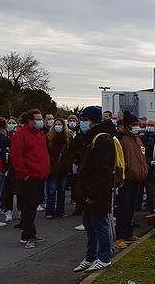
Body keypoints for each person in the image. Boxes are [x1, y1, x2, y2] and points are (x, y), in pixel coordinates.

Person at [73, 106, 116, 272]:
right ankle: (90, 257)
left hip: (96, 192)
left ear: (92, 120)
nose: (82, 122)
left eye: (84, 119)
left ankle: (104, 257)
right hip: (87, 190)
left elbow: (103, 170)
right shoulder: (91, 137)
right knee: (89, 225)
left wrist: (94, 193)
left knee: (100, 224)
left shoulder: (102, 139)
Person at [12, 109, 50, 249]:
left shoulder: (40, 134)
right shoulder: (21, 134)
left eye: (41, 118)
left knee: (33, 207)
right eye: (37, 119)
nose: (40, 121)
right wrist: (25, 174)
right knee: (28, 208)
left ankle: (30, 233)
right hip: (29, 177)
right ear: (29, 120)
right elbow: (16, 156)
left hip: (39, 175)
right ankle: (28, 235)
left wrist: (45, 171)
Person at [115, 112, 148, 249]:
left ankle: (128, 233)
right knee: (123, 207)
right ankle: (120, 236)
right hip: (126, 179)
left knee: (131, 207)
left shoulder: (137, 139)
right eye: (134, 125)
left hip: (137, 178)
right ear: (127, 126)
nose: (137, 127)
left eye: (137, 125)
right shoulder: (121, 139)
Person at [45, 118, 71, 219]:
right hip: (52, 168)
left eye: (60, 124)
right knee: (51, 191)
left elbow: (70, 153)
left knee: (61, 190)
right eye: (56, 124)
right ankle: (49, 211)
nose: (57, 126)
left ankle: (60, 211)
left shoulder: (68, 138)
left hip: (63, 168)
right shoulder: (49, 138)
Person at [1, 117, 19, 222]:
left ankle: (20, 210)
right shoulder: (4, 138)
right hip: (8, 169)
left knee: (20, 191)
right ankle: (8, 211)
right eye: (10, 123)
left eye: (13, 123)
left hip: (18, 169)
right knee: (7, 192)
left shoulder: (20, 137)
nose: (11, 125)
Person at [139, 119, 155, 211]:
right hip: (143, 165)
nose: (149, 127)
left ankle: (150, 205)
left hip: (151, 167)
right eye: (148, 125)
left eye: (152, 125)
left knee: (150, 188)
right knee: (140, 189)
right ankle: (138, 206)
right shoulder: (142, 138)